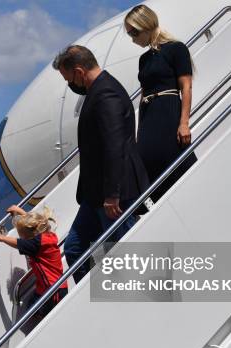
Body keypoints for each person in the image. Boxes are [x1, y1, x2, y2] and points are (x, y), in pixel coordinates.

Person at [52, 45, 150, 283]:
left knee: (124, 250)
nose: (70, 85)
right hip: (94, 193)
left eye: (68, 79)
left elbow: (114, 146)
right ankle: (91, 303)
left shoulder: (106, 94)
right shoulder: (97, 91)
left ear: (78, 71)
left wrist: (112, 194)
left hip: (112, 193)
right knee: (75, 247)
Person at [125, 4, 197, 202]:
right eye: (129, 34)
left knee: (170, 157)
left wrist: (184, 123)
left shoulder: (176, 49)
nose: (132, 38)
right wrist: (139, 130)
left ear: (147, 25)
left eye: (134, 32)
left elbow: (186, 87)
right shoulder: (144, 59)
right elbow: (143, 93)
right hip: (149, 115)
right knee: (147, 161)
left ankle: (187, 198)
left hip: (167, 110)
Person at [0, 205, 67, 317]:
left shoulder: (36, 244)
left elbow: (19, 243)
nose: (22, 239)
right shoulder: (47, 235)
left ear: (30, 237)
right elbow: (34, 224)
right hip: (49, 288)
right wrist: (20, 212)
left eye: (23, 236)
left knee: (36, 315)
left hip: (53, 291)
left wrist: (2, 238)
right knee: (31, 310)